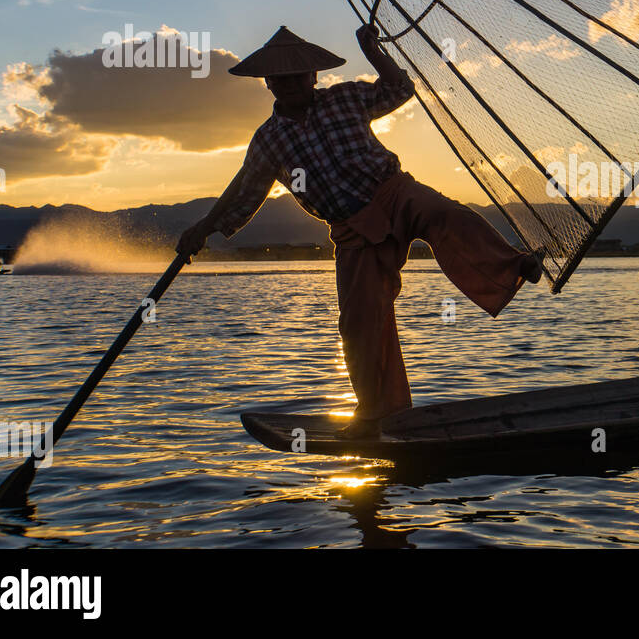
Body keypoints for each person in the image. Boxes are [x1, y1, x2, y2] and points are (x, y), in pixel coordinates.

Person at [177, 25, 542, 438]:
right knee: (358, 322)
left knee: (444, 214)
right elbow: (241, 192)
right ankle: (379, 413)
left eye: (296, 77)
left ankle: (514, 264)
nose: (289, 85)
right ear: (268, 83)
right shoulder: (268, 140)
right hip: (351, 228)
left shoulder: (345, 97)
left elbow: (399, 89)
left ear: (314, 76)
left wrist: (374, 52)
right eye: (279, 79)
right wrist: (201, 229)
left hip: (393, 191)